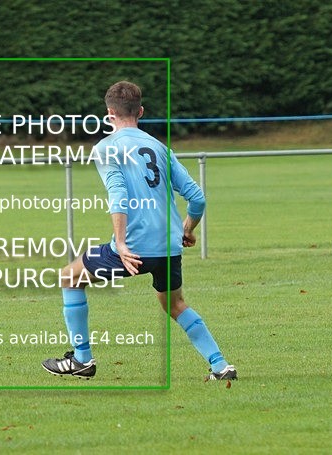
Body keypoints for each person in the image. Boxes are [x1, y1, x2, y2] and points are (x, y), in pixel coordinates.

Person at [41, 81, 237, 380]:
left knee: (69, 277)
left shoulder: (107, 148)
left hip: (133, 248)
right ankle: (221, 366)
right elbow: (197, 197)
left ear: (109, 113)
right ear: (141, 111)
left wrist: (120, 243)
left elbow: (118, 195)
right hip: (168, 246)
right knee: (174, 304)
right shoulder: (160, 147)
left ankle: (82, 359)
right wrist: (187, 228)